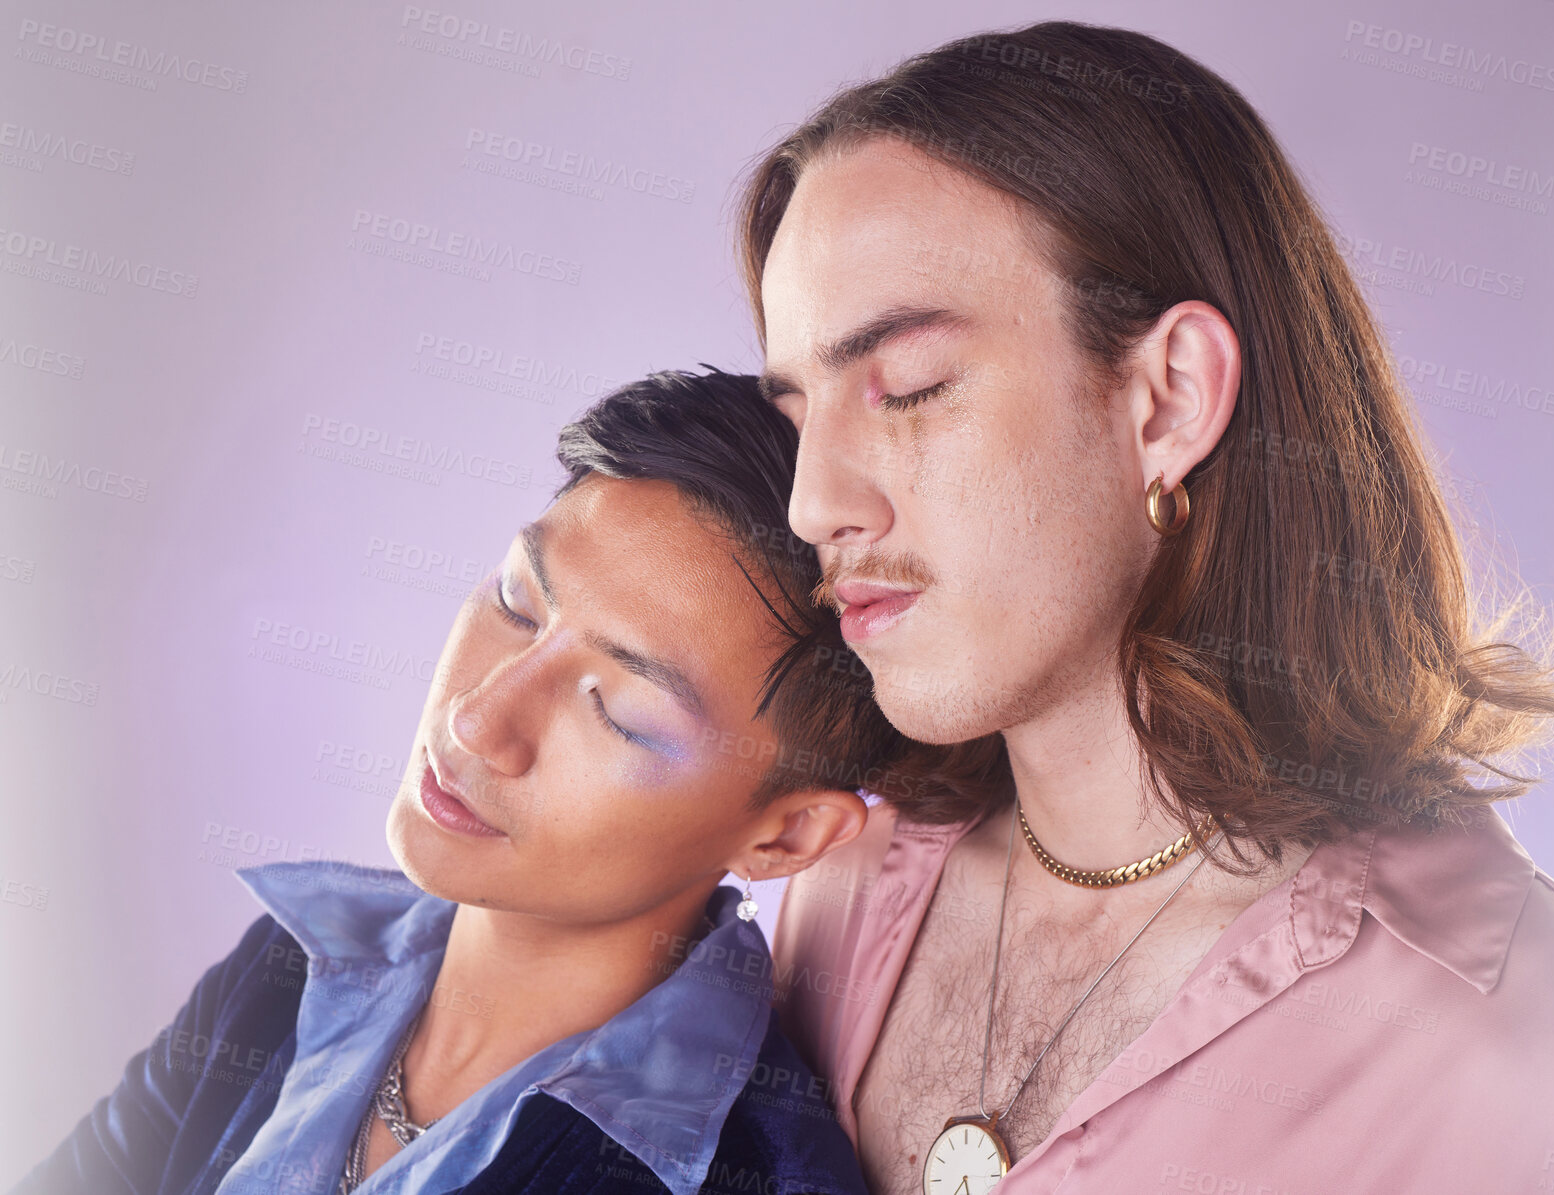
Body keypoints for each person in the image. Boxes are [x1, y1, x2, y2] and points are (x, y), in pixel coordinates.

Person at [736, 21, 1554, 1195]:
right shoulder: (835, 891)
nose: (814, 501)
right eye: (796, 419)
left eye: (910, 389)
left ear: (1169, 397)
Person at [15, 368, 953, 1195]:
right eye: (515, 602)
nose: (477, 720)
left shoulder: (754, 1173)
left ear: (784, 835)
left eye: (617, 711)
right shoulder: (285, 970)